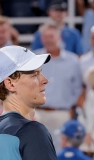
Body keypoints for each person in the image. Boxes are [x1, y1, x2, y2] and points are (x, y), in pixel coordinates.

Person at [34, 22, 83, 151]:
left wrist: (72, 111)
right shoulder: (34, 59)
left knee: (61, 153)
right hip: (37, 113)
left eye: (52, 36)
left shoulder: (73, 61)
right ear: (41, 39)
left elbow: (79, 88)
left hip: (62, 114)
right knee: (36, 152)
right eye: (46, 37)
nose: (49, 40)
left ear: (59, 38)